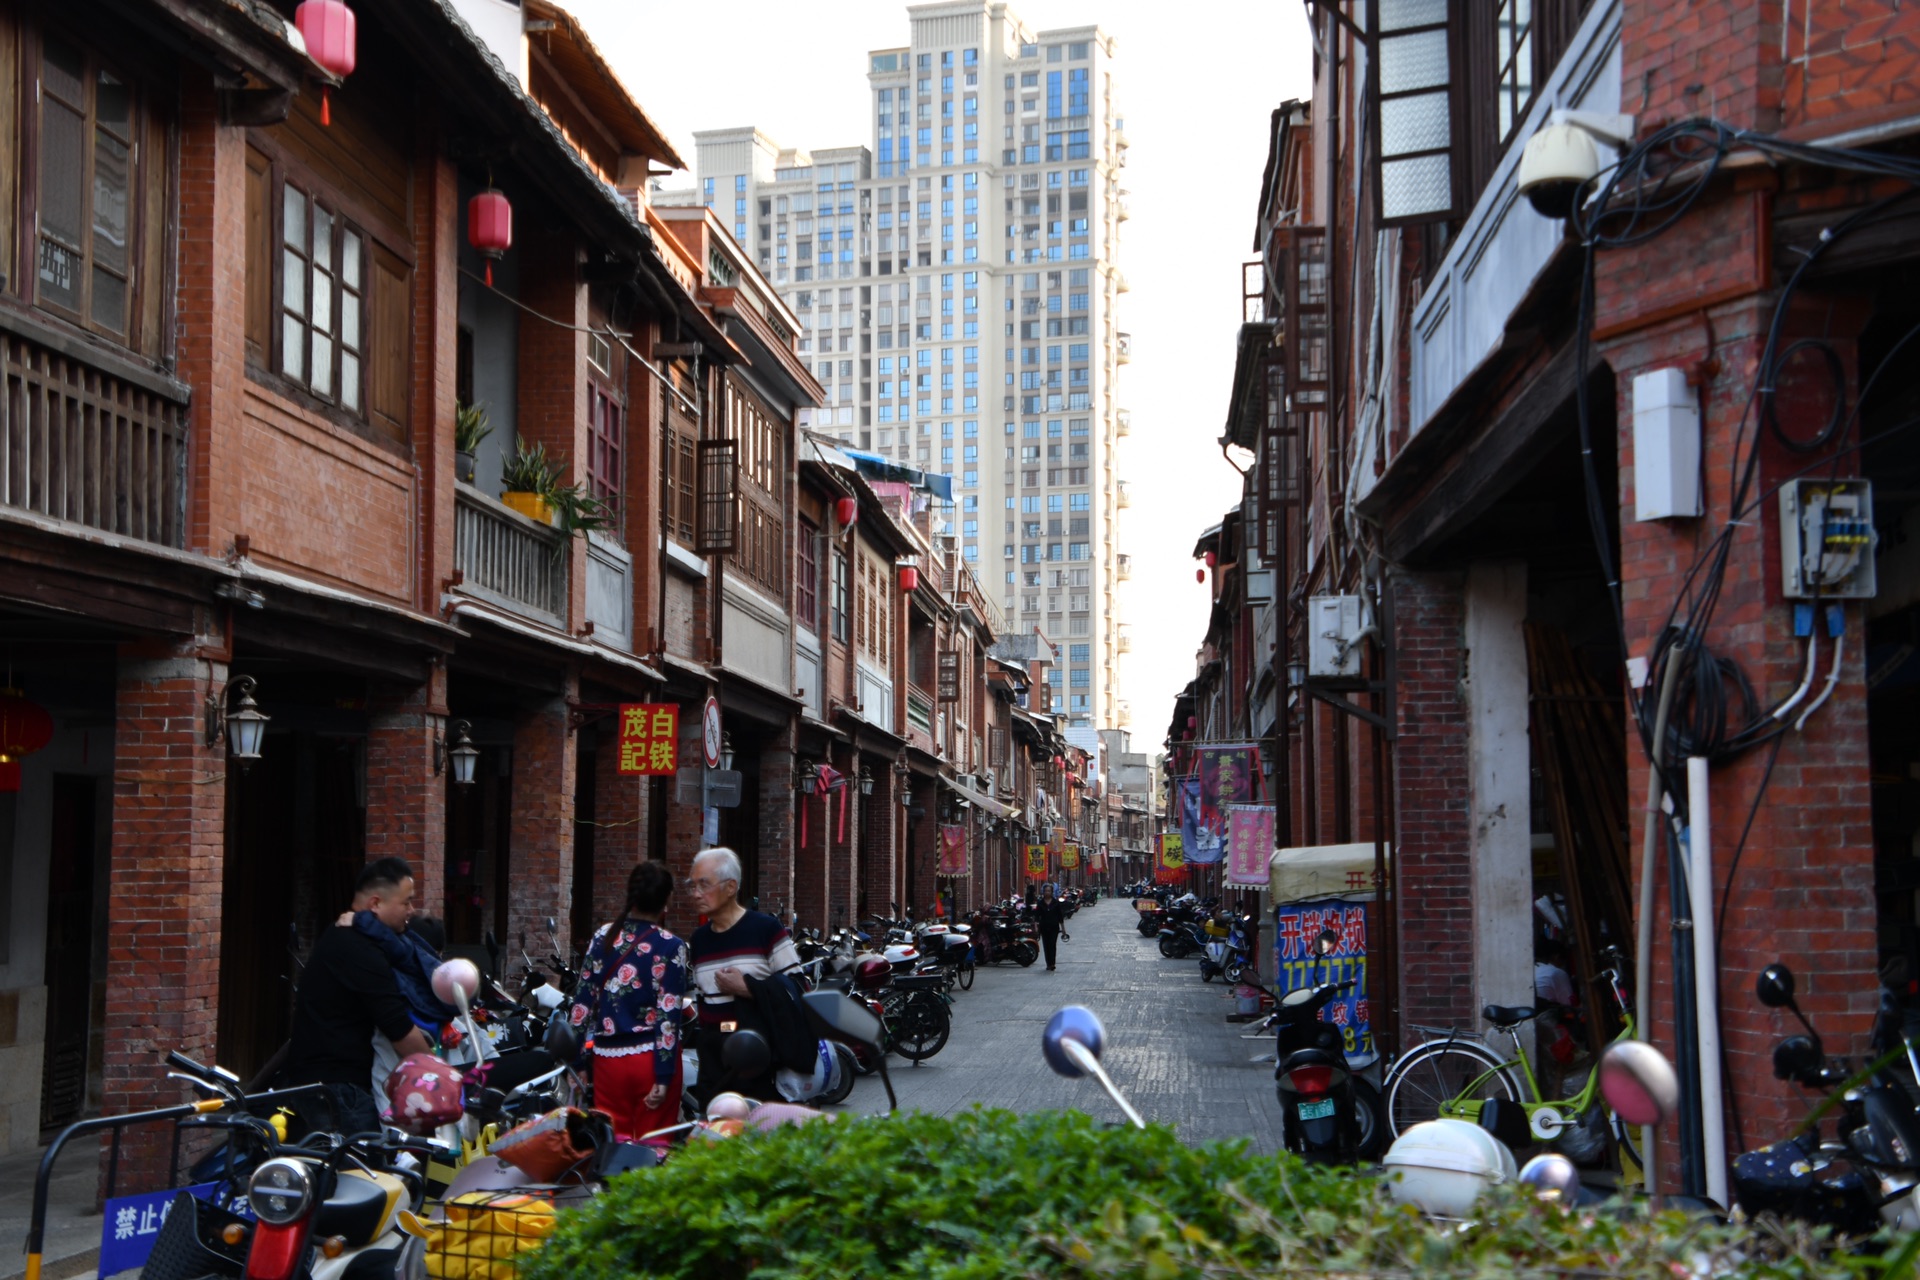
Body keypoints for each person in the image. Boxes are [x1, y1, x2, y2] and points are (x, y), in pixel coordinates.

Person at [283, 857, 431, 1135]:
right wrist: (445, 1077)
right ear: (375, 903)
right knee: (363, 1175)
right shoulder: (359, 950)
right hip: (339, 1090)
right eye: (406, 902)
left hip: (330, 1085)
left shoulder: (350, 938)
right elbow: (398, 1028)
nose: (411, 910)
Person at [568, 861, 689, 1141]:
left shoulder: (603, 937)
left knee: (613, 1143)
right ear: (666, 901)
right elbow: (668, 1017)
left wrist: (577, 1063)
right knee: (654, 1146)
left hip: (608, 1060)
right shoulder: (672, 946)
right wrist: (663, 1075)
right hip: (650, 1059)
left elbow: (581, 1005)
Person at [685, 847, 801, 1103]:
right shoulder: (699, 940)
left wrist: (746, 987)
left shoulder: (766, 930)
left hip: (760, 1061)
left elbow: (798, 989)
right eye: (691, 886)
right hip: (714, 1064)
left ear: (730, 887)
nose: (695, 894)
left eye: (703, 885)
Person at [1035, 883, 1065, 971]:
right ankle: (1048, 963)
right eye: (1045, 891)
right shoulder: (1040, 903)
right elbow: (1037, 916)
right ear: (1043, 892)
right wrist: (1036, 927)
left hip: (1054, 927)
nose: (1047, 893)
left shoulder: (1056, 903)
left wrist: (1063, 929)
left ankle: (1052, 963)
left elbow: (1060, 917)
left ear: (1052, 892)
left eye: (1049, 891)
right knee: (1046, 945)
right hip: (1044, 927)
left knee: (1052, 945)